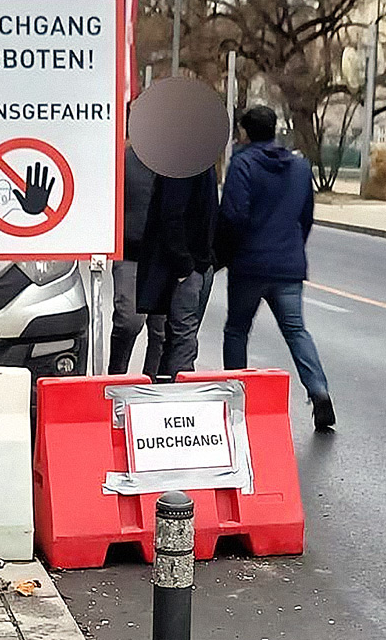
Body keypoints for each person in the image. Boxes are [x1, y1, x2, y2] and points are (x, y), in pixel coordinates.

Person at [217, 105, 336, 430]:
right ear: (274, 130)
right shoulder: (299, 167)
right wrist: (293, 246)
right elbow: (306, 216)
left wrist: (224, 254)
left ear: (244, 132)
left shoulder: (242, 164)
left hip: (249, 266)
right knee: (296, 330)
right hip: (287, 265)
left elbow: (233, 215)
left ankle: (236, 398)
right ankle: (319, 391)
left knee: (237, 330)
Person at [136, 166, 219, 379]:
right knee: (183, 338)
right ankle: (180, 392)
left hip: (198, 264)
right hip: (186, 267)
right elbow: (171, 215)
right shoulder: (182, 164)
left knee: (179, 337)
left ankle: (169, 390)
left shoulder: (202, 162)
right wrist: (185, 266)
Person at [109, 144, 156, 375]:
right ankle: (116, 374)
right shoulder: (122, 159)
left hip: (166, 258)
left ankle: (155, 388)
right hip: (130, 253)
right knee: (129, 321)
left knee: (162, 333)